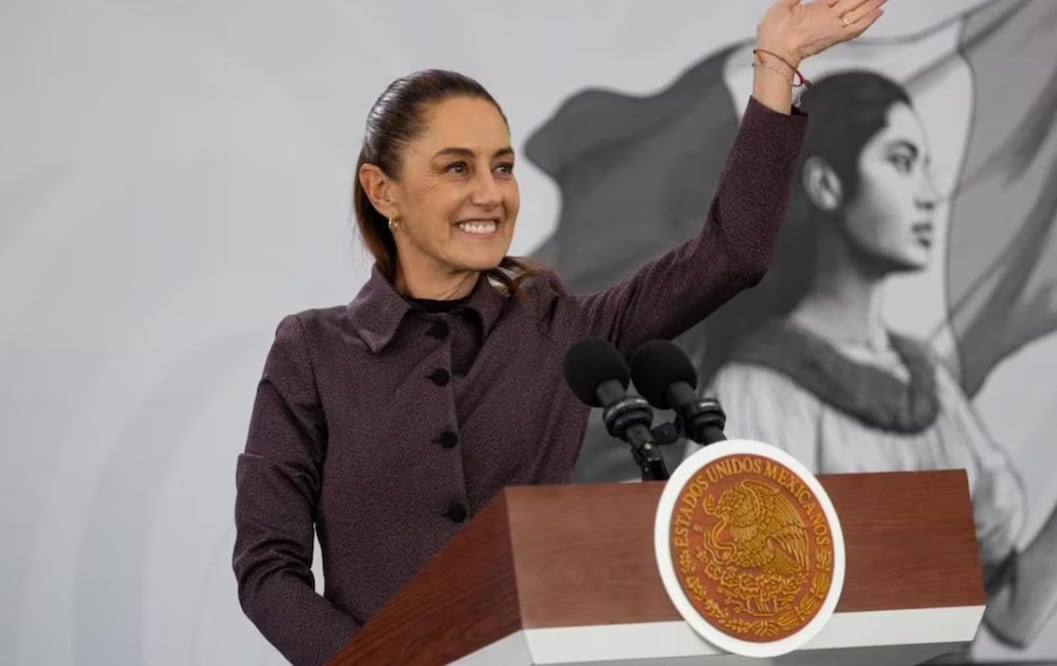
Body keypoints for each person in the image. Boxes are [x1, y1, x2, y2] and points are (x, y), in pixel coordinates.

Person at [231, 2, 886, 663]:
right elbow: (268, 569)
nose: (491, 193)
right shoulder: (310, 353)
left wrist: (776, 67)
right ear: (383, 190)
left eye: (503, 166)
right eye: (456, 168)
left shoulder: (559, 329)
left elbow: (732, 253)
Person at [691, 70, 1057, 649]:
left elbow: (1011, 613)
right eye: (902, 161)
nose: (931, 192)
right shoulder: (756, 389)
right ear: (827, 185)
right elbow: (739, 617)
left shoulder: (927, 378)